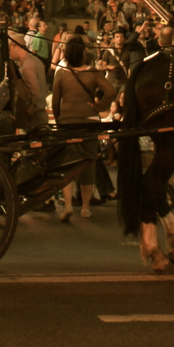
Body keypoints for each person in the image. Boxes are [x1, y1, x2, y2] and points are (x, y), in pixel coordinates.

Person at [50, 35, 113, 222]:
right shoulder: (93, 73)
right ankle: (85, 207)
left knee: (68, 164)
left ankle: (68, 204)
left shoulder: (61, 73)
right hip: (89, 122)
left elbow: (55, 101)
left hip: (68, 121)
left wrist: (60, 120)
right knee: (88, 164)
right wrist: (100, 107)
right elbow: (111, 91)